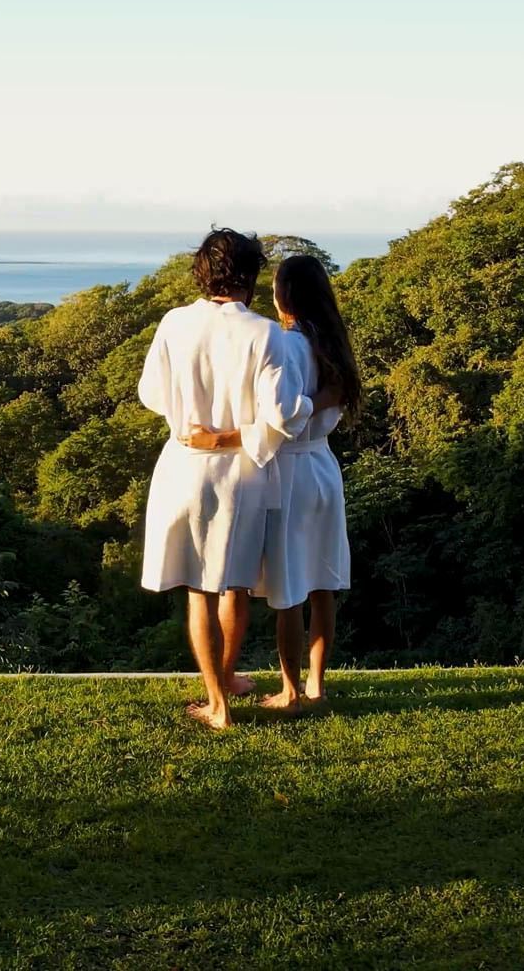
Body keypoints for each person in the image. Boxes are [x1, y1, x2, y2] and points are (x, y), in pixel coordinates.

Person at [138, 229, 314, 730]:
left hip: (183, 466)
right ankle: (229, 679)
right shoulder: (265, 335)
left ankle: (218, 700)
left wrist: (189, 417)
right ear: (251, 276)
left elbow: (151, 392)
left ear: (201, 271)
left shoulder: (174, 323)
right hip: (241, 474)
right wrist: (302, 406)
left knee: (198, 589)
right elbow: (283, 415)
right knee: (233, 585)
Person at [182, 254, 359, 711]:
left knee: (289, 592)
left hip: (291, 472)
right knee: (322, 586)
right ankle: (317, 685)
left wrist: (219, 438)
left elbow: (280, 422)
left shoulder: (288, 345)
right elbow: (323, 407)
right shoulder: (334, 343)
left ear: (284, 295)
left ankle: (290, 691)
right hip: (324, 469)